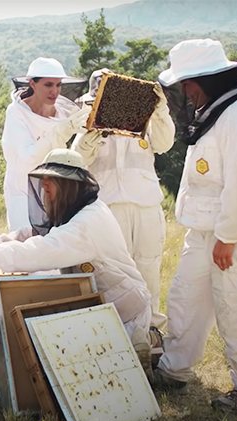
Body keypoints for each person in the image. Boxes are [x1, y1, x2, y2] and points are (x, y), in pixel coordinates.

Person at [152, 39, 237, 415]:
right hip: (205, 233)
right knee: (185, 299)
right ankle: (174, 370)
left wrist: (227, 237)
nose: (185, 91)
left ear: (206, 78)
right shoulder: (215, 114)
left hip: (236, 236)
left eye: (188, 82)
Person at [0, 148, 154, 378]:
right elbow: (34, 233)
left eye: (53, 179)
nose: (44, 185)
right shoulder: (72, 213)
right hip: (101, 307)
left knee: (92, 376)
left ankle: (139, 345)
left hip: (125, 312)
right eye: (44, 179)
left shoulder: (89, 221)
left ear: (71, 185)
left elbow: (45, 248)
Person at [72, 69, 176, 331]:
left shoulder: (143, 116)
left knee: (148, 267)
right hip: (107, 208)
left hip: (145, 203)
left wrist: (160, 111)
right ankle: (114, 334)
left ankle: (150, 334)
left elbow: (164, 144)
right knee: (113, 274)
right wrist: (87, 141)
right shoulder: (86, 118)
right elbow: (76, 162)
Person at [2, 57, 90, 231]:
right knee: (23, 244)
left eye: (58, 85)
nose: (55, 91)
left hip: (55, 190)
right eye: (48, 85)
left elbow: (65, 159)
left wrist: (88, 144)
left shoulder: (64, 113)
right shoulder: (16, 113)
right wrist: (60, 132)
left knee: (53, 246)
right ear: (32, 84)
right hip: (22, 190)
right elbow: (28, 157)